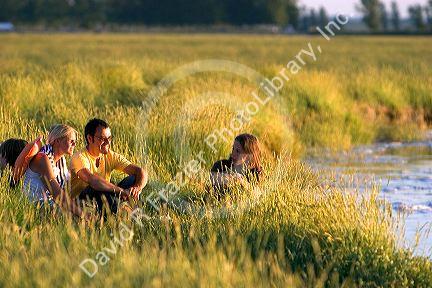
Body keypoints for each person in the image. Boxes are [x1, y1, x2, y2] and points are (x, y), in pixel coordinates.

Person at [70, 118, 148, 216]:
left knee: (133, 179)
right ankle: (112, 218)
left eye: (109, 138)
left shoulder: (110, 155)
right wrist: (121, 191)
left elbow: (141, 171)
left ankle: (136, 214)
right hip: (80, 202)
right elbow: (93, 181)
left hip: (104, 195)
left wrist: (137, 187)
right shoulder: (79, 157)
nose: (107, 143)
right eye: (102, 139)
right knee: (99, 186)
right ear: (90, 138)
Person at [22, 125, 82, 217]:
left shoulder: (61, 160)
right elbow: (57, 193)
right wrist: (82, 214)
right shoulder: (43, 158)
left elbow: (67, 185)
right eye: (71, 141)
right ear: (57, 141)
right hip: (34, 204)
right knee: (70, 215)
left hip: (48, 202)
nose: (74, 144)